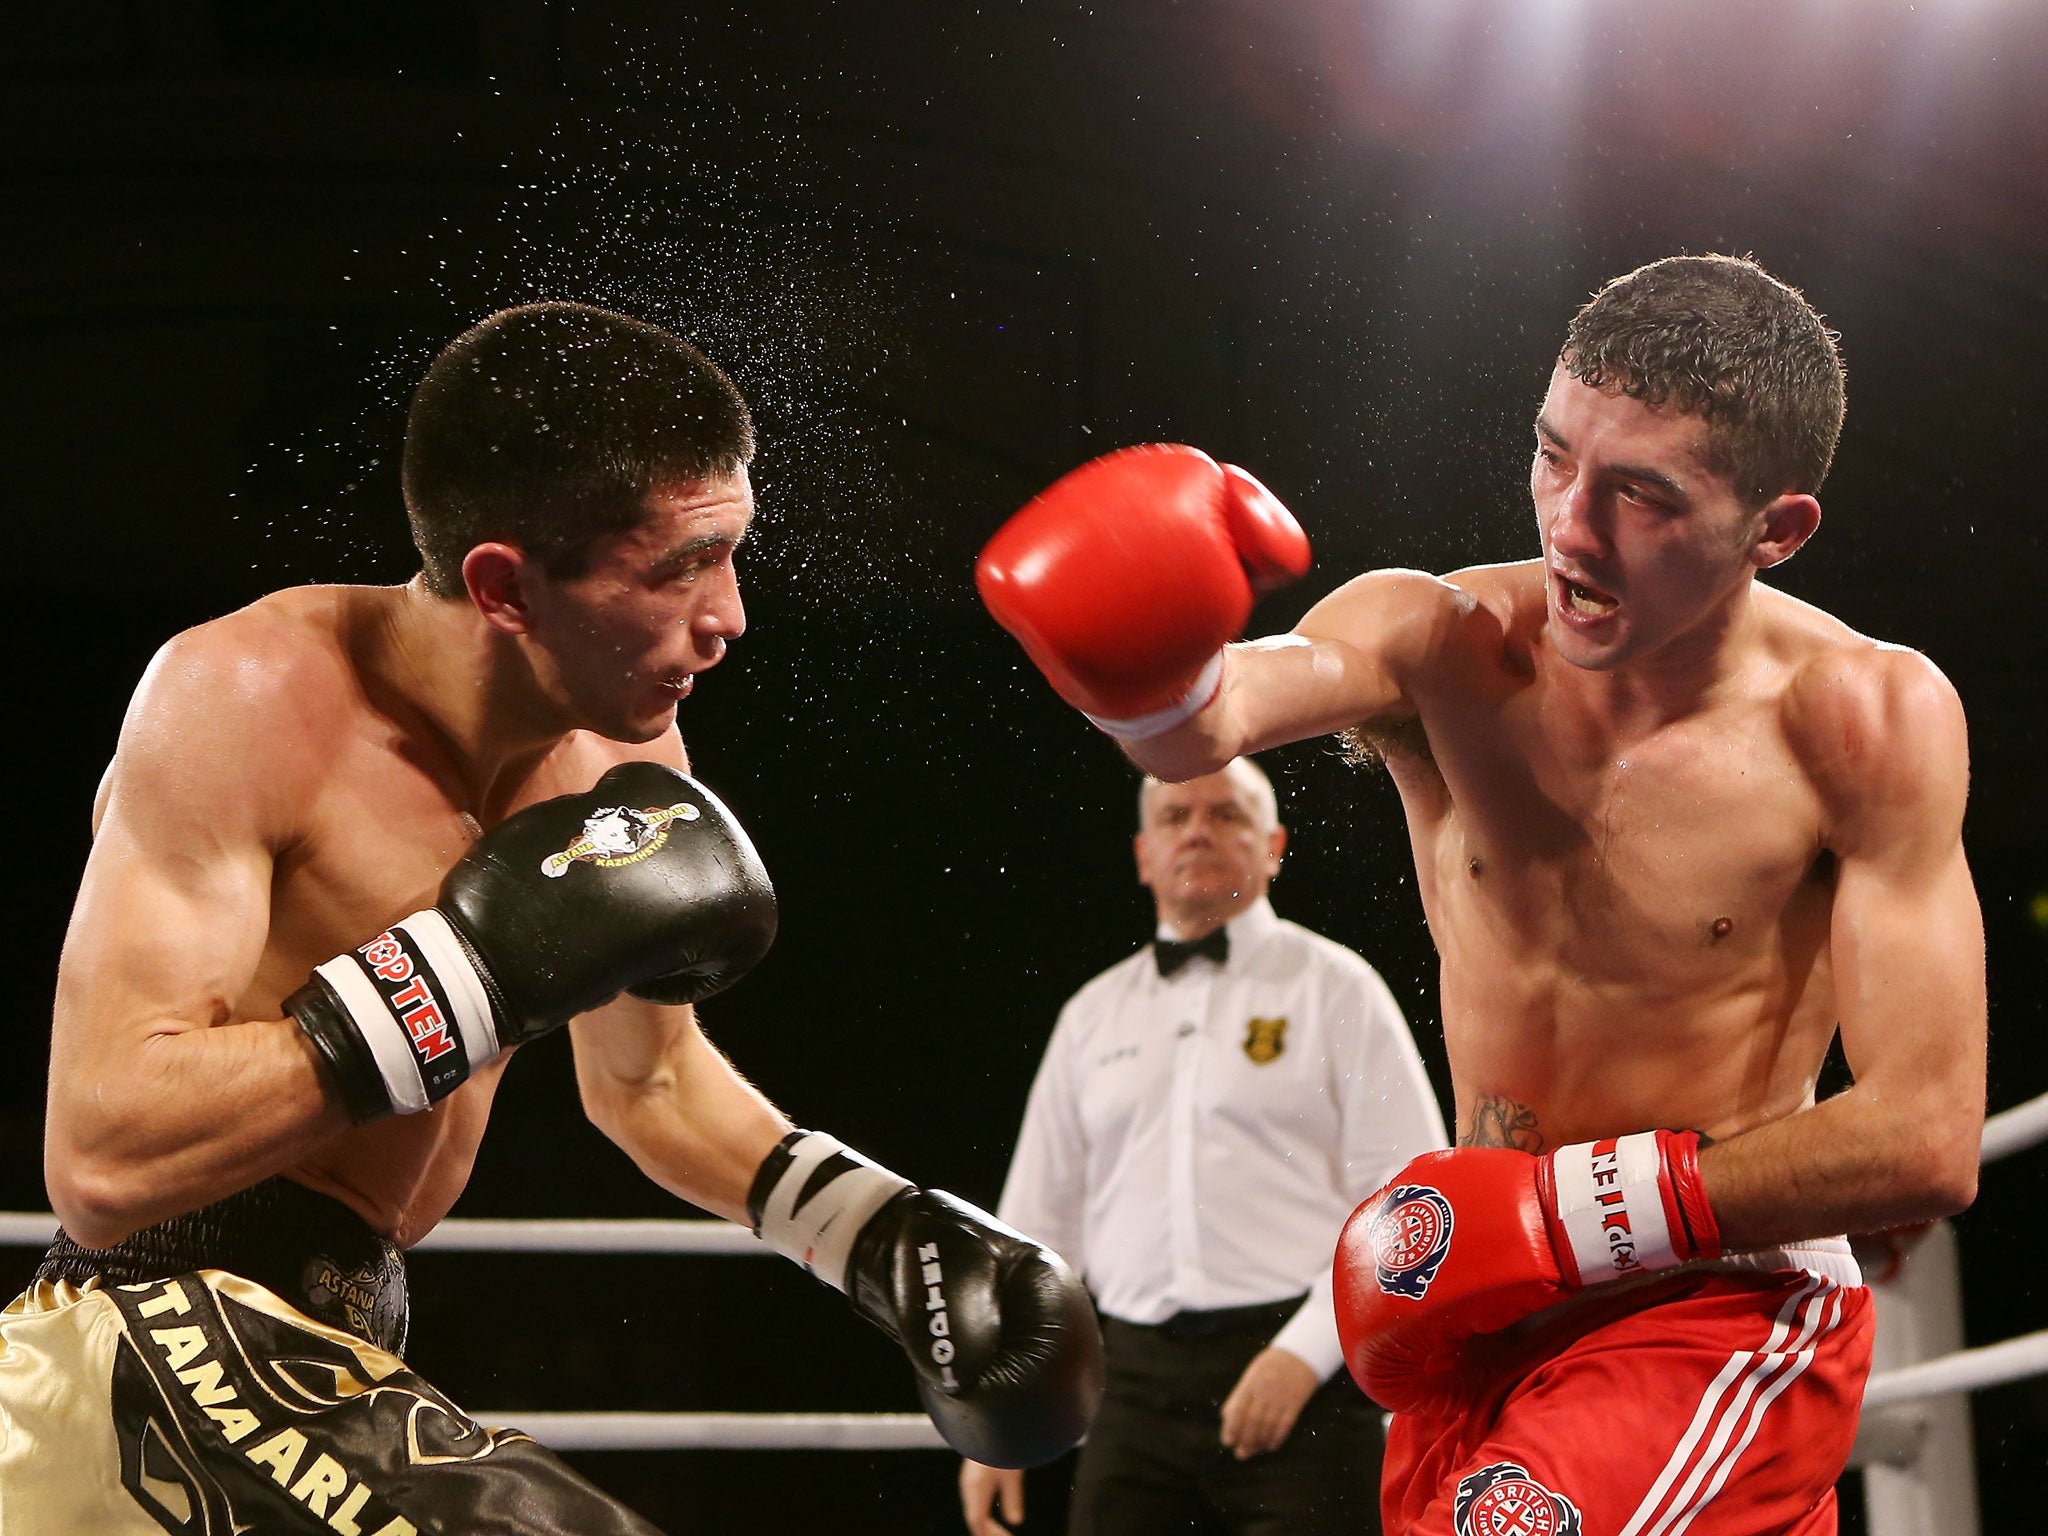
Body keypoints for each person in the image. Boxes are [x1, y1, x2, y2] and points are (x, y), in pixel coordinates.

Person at [8, 301, 1101, 1534]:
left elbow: (646, 1087)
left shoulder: (616, 769)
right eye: (676, 566)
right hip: (142, 1351)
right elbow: (101, 1157)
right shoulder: (248, 697)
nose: (727, 616)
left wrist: (875, 1233)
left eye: (730, 551)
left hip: (336, 1354)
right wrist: (468, 974)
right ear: (504, 586)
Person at [976, 254, 1987, 1534]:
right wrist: (1138, 664)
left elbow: (1925, 1135)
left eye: (1640, 495)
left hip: (1710, 1300)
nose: (1569, 526)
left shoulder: (1859, 716)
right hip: (1471, 1314)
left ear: (1773, 531)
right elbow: (1207, 724)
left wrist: (1557, 1216)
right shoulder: (1438, 641)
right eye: (1552, 455)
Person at [959, 758, 1446, 1536]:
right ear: (1144, 854)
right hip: (1131, 1384)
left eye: (1226, 814)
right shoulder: (1092, 1016)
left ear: (1275, 843)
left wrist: (1306, 1355)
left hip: (1301, 1375)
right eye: (1175, 817)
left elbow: (1411, 1204)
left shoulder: (1338, 989)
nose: (1197, 832)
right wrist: (1003, 1414)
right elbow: (1038, 1231)